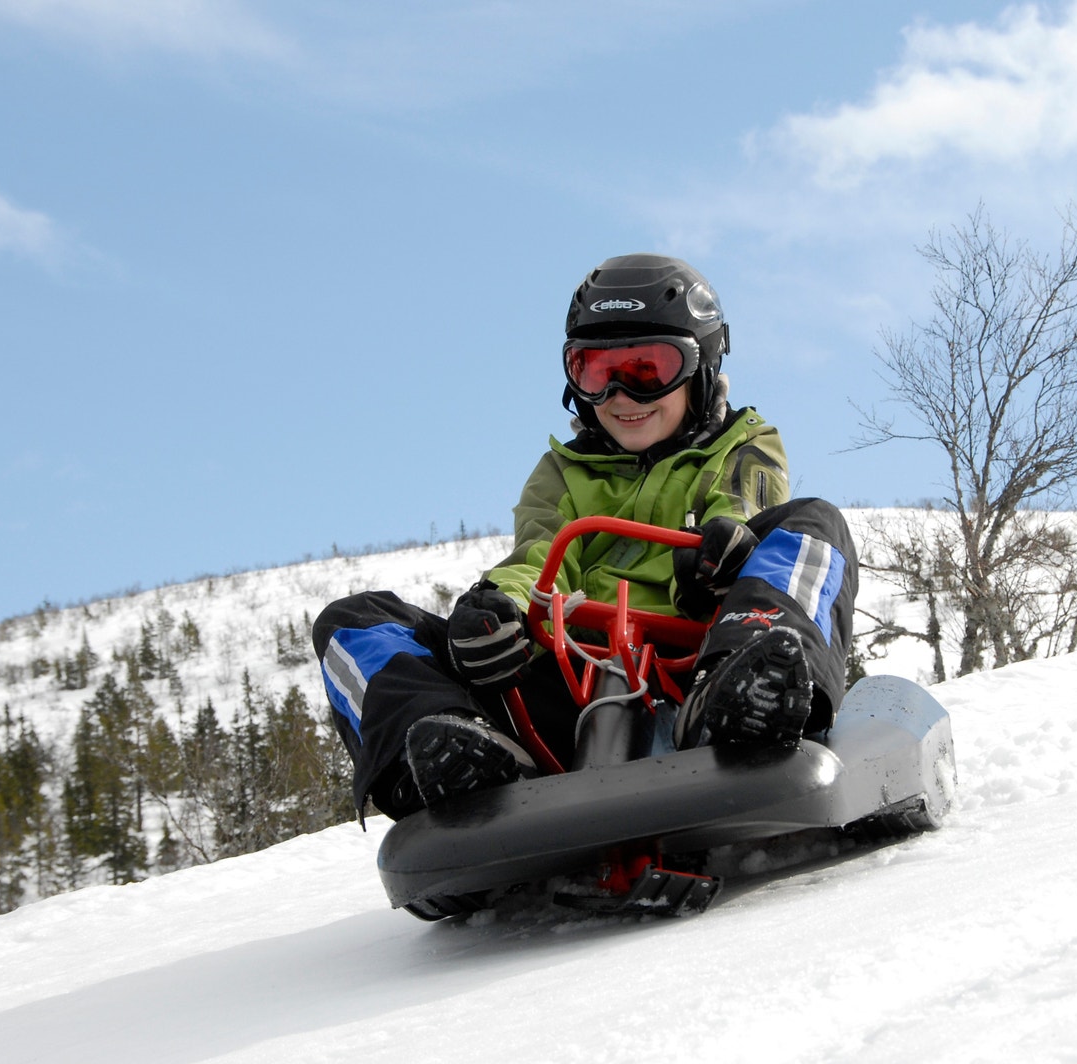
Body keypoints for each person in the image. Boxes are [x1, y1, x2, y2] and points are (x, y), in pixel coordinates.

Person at [313, 253, 858, 821]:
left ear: (701, 365)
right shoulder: (563, 472)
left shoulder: (741, 445)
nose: (621, 395)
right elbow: (539, 556)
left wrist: (723, 554)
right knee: (355, 623)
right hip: (567, 675)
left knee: (814, 526)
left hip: (689, 663)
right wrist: (500, 608)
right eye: (597, 372)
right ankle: (458, 759)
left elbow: (742, 511)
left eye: (648, 370)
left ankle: (746, 696)